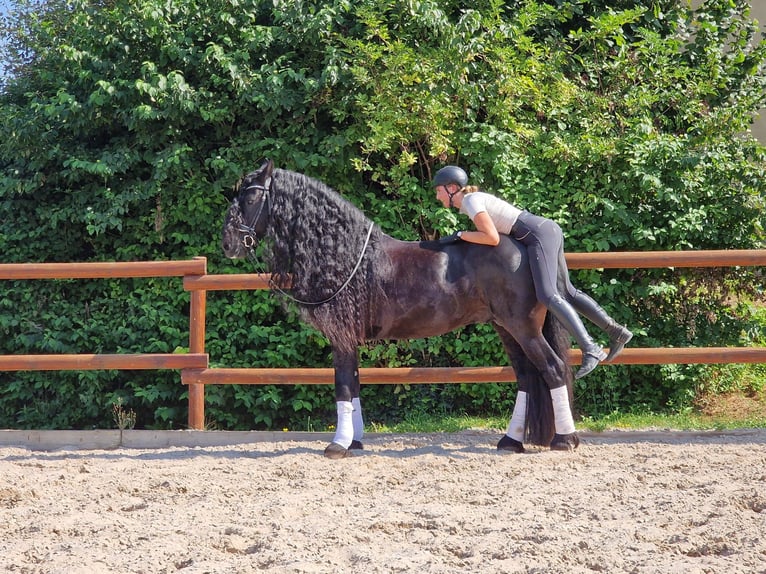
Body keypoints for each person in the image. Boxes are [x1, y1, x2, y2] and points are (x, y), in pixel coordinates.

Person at [432, 165, 632, 379]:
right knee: (568, 293)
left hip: (537, 235)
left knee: (547, 295)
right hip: (544, 231)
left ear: (452, 188)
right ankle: (616, 332)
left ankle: (590, 348)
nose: (437, 196)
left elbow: (491, 238)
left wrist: (461, 234)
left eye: (438, 190)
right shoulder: (473, 200)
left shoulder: (471, 201)